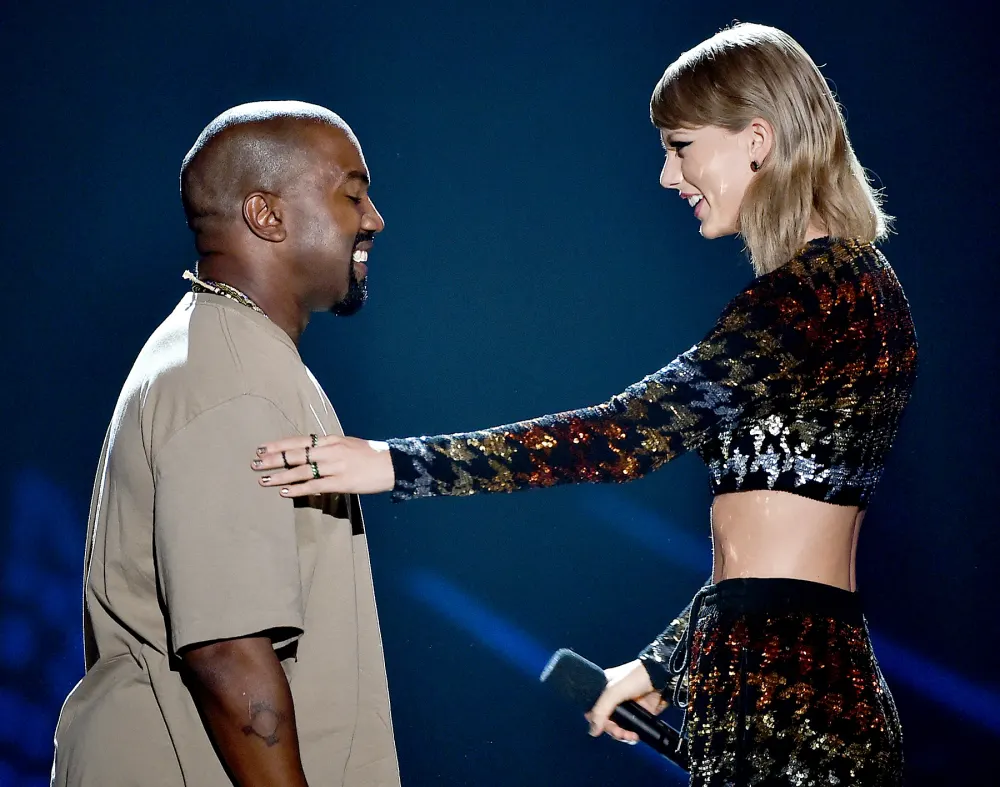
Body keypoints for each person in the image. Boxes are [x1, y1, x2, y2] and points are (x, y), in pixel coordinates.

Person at [252, 23, 916, 786]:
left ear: (757, 138)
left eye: (681, 145)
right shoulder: (851, 290)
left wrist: (392, 463)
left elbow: (624, 436)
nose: (669, 176)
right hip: (789, 677)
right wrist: (666, 661)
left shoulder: (809, 296)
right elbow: (779, 549)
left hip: (787, 696)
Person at [51, 101, 400, 787]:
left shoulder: (222, 350)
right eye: (352, 194)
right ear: (266, 214)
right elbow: (227, 649)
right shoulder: (233, 375)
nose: (374, 218)